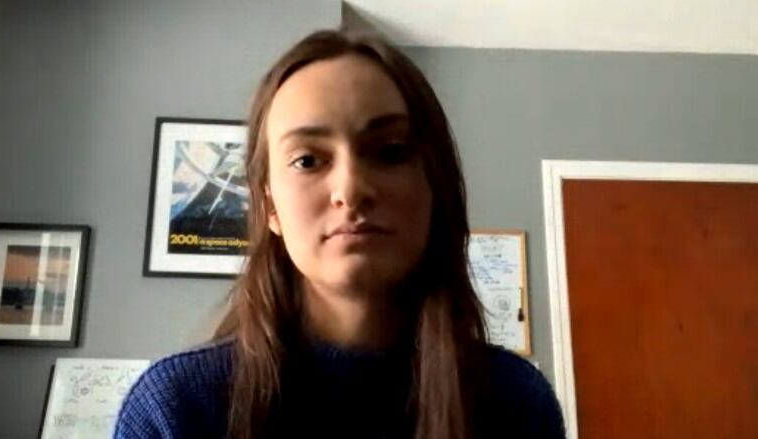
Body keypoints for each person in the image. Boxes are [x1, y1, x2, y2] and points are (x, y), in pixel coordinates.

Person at [114, 28, 565, 439]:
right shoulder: (176, 409)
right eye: (308, 160)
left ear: (436, 183)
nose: (350, 190)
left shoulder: (516, 404)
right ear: (270, 204)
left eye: (390, 152)